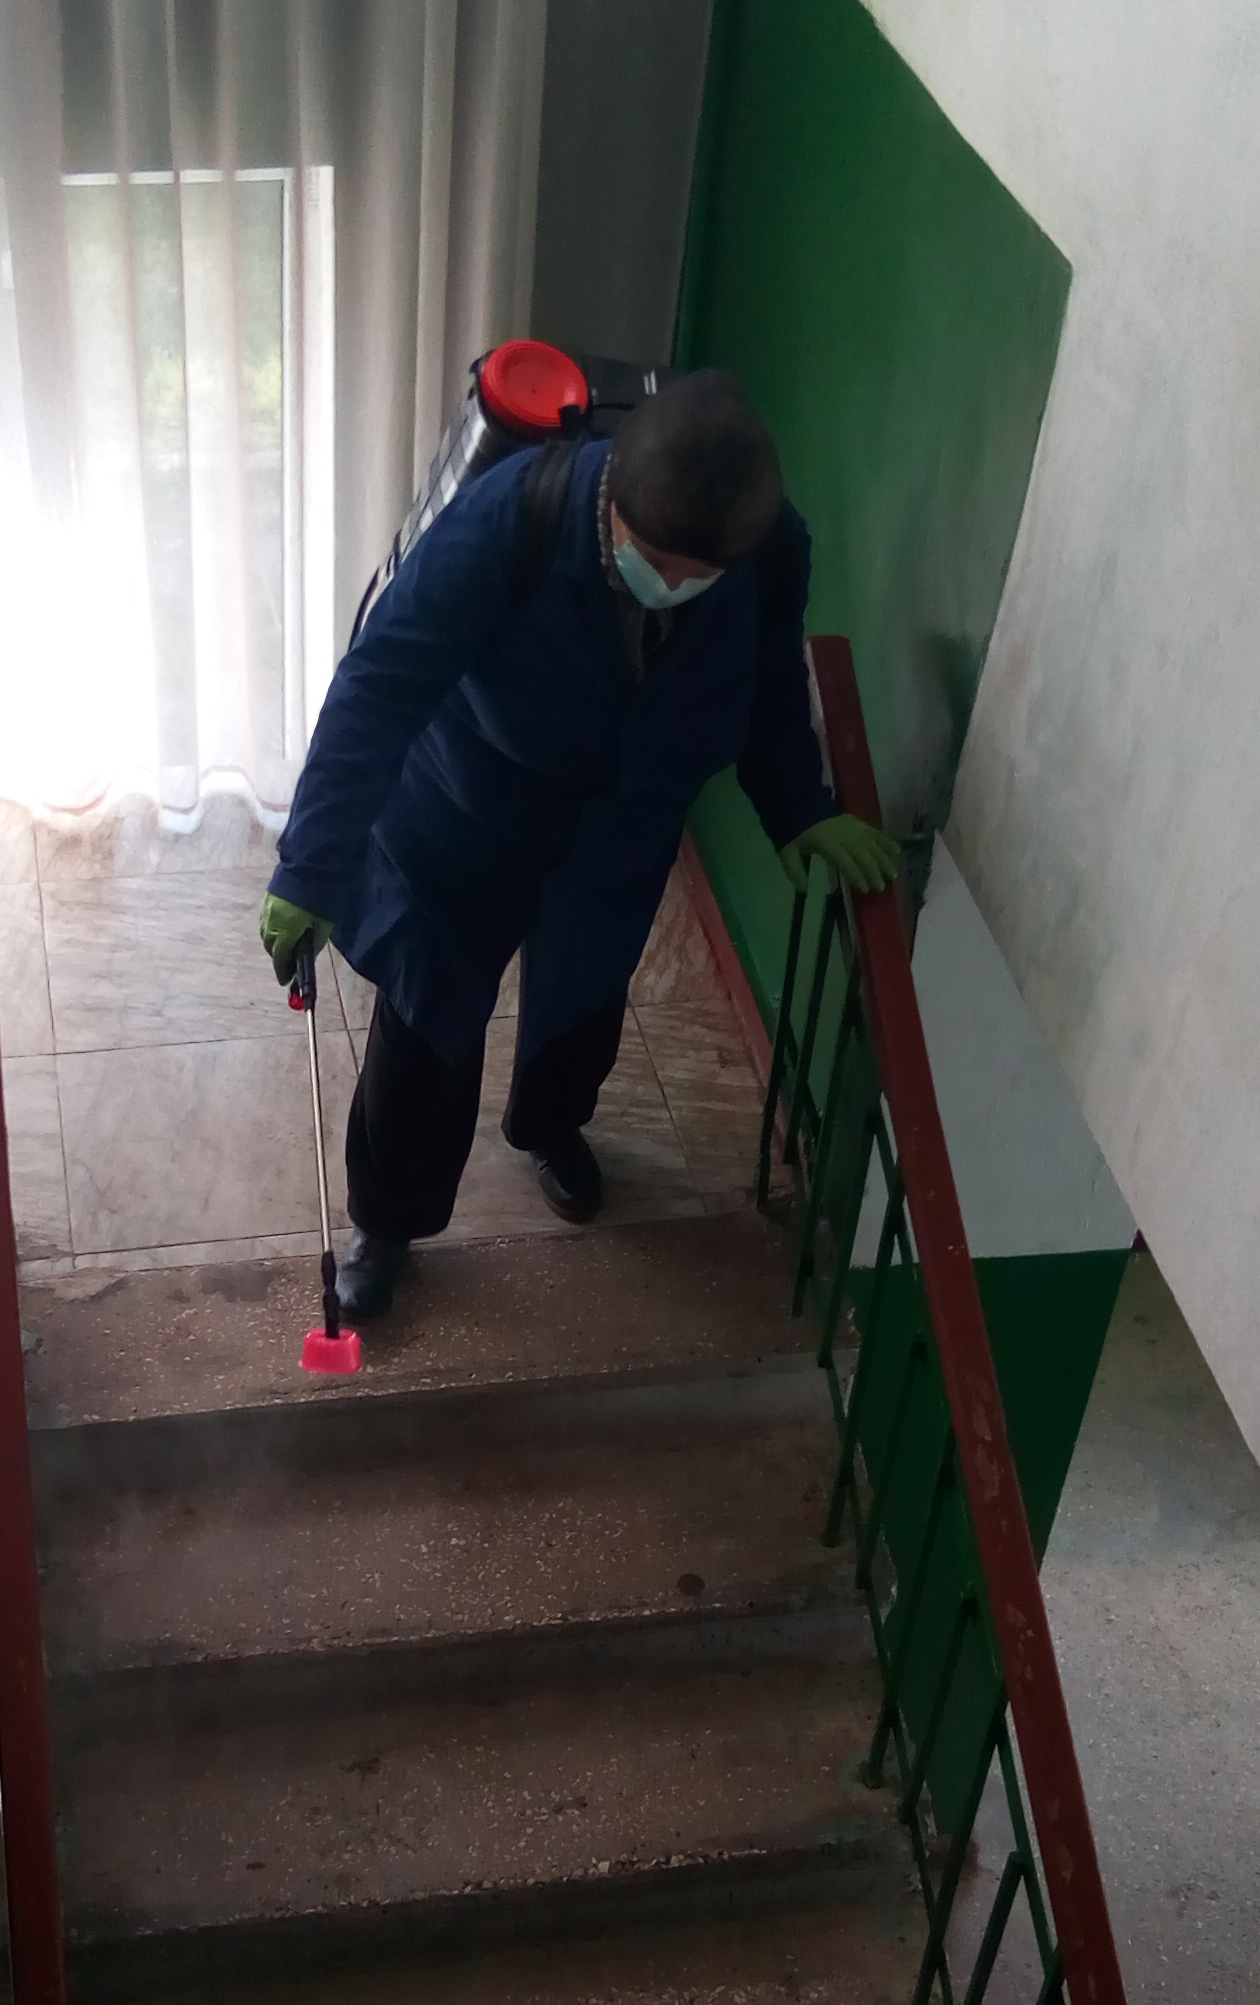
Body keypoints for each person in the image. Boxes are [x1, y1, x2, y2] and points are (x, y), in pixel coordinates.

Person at [259, 370, 898, 1323]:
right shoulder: (510, 519)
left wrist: (799, 808)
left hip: (617, 832)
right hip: (468, 815)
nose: (676, 586)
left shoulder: (765, 548)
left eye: (701, 573)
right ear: (614, 501)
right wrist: (312, 864)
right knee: (428, 1022)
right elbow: (380, 683)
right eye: (658, 561)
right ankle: (387, 1223)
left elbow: (768, 683)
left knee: (585, 996)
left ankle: (551, 1124)